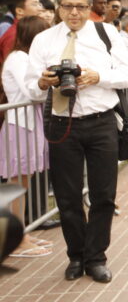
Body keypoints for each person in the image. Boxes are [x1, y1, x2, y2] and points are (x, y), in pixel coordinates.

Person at [25, 0, 128, 283]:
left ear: (90, 8)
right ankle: (76, 256)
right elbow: (29, 88)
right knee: (67, 197)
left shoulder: (106, 33)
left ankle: (96, 257)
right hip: (63, 125)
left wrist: (98, 76)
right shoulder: (44, 40)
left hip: (101, 122)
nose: (74, 12)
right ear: (59, 7)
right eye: (68, 6)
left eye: (81, 7)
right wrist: (43, 83)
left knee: (103, 195)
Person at [1, 15, 52, 258]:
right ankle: (15, 240)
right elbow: (32, 92)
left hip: (27, 125)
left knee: (22, 184)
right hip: (19, 126)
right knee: (16, 185)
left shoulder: (24, 58)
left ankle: (21, 233)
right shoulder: (18, 59)